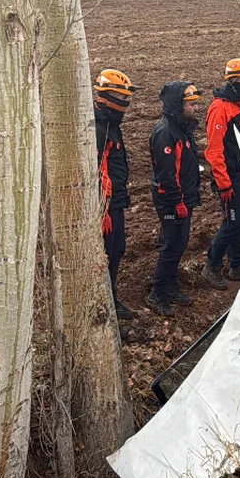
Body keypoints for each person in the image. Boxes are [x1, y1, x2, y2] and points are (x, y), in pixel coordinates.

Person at [202, 58, 240, 289]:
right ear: (234, 81)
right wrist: (224, 183)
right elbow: (214, 149)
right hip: (231, 178)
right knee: (232, 223)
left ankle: (237, 264)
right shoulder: (220, 108)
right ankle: (212, 265)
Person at [147, 82, 203, 315]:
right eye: (191, 104)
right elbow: (167, 174)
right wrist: (177, 201)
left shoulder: (182, 129)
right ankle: (157, 292)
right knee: (172, 244)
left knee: (180, 243)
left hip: (184, 197)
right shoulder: (165, 134)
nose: (195, 109)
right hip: (171, 199)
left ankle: (170, 286)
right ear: (177, 105)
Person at [94, 68, 137, 321]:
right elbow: (97, 171)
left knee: (117, 249)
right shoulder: (99, 129)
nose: (125, 107)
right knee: (108, 252)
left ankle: (110, 296)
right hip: (107, 206)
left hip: (116, 201)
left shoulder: (110, 124)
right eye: (122, 101)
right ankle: (105, 302)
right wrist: (103, 208)